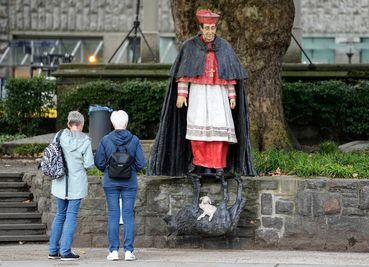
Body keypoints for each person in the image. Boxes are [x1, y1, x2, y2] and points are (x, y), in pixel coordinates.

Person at [149, 9, 255, 177]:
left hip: (219, 95)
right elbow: (184, 72)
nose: (210, 32)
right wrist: (182, 94)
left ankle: (218, 164)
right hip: (198, 94)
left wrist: (232, 95)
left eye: (213, 28)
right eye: (206, 28)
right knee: (197, 130)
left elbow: (229, 73)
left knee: (220, 130)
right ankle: (200, 163)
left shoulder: (224, 47)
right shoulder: (190, 47)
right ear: (200, 27)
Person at [94, 110, 145, 261]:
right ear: (127, 123)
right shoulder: (134, 140)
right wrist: (132, 169)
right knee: (128, 215)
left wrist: (108, 170)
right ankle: (129, 251)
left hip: (111, 182)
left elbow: (99, 162)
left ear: (112, 123)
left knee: (113, 214)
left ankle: (114, 251)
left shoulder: (105, 140)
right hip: (130, 182)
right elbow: (141, 163)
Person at [48, 111, 94, 261]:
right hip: (77, 183)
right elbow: (89, 164)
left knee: (60, 214)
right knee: (71, 216)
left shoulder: (59, 135)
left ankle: (53, 251)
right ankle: (66, 251)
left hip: (60, 182)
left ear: (69, 124)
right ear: (81, 125)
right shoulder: (85, 140)